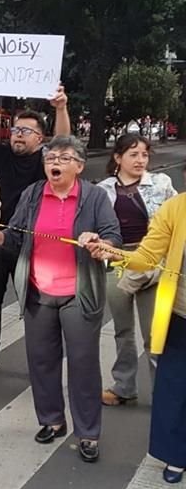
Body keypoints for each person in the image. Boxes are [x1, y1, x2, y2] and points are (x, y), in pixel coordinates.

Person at [0, 135, 122, 463]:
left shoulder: (95, 197)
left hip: (79, 293)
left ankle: (88, 433)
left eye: (63, 158)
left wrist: (98, 240)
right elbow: (13, 239)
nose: (54, 163)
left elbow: (114, 237)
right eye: (50, 158)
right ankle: (52, 420)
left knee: (83, 366)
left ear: (80, 166)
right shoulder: (32, 195)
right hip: (38, 292)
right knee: (42, 362)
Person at [0, 86, 71, 371]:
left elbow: (63, 142)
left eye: (26, 131)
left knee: (37, 305)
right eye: (17, 129)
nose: (19, 134)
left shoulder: (47, 160)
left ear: (40, 138)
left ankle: (44, 361)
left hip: (33, 244)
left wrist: (60, 108)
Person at [90, 167, 186, 483]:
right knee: (174, 386)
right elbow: (147, 257)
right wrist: (113, 252)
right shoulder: (176, 208)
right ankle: (176, 455)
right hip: (180, 314)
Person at [97, 134, 176, 406]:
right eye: (133, 154)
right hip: (117, 263)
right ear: (118, 158)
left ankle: (163, 394)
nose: (140, 160)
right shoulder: (103, 189)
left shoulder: (162, 184)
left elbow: (177, 218)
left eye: (144, 154)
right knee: (123, 330)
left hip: (154, 264)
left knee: (155, 334)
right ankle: (123, 387)